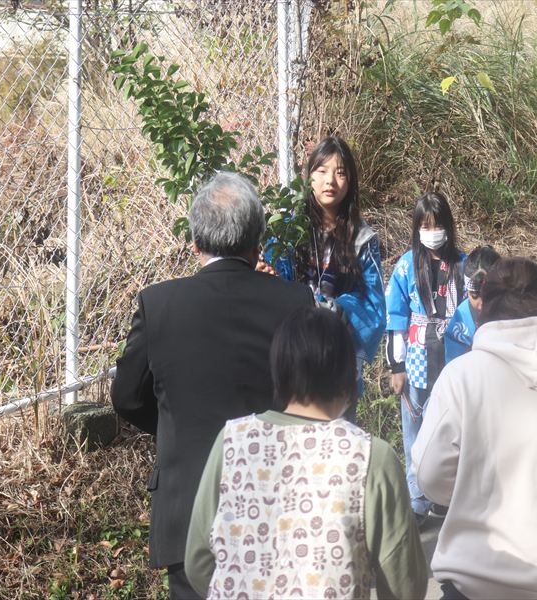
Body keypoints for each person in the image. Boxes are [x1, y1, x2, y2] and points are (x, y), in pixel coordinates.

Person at [111, 172, 314, 599]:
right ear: (256, 241)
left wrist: (175, 425)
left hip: (187, 509)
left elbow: (126, 397)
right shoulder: (294, 302)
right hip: (275, 500)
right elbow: (312, 399)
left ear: (195, 242)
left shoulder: (158, 304)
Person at [184, 307, 428, 600]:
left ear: (278, 371)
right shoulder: (370, 457)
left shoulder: (231, 440)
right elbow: (404, 585)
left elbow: (198, 562)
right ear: (347, 375)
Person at [412, 257, 537, 600]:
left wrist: (474, 487)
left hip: (475, 580)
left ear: (484, 304)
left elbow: (430, 478)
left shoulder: (462, 376)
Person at [271, 136, 386, 422]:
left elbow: (373, 305)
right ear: (309, 177)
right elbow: (271, 283)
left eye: (340, 172)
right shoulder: (288, 231)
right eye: (321, 171)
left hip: (337, 362)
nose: (330, 180)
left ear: (350, 181)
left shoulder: (362, 239)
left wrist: (338, 309)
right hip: (294, 358)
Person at [384, 190, 465, 523]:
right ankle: (416, 499)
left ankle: (445, 496)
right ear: (417, 228)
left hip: (454, 356)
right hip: (416, 357)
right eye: (426, 226)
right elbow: (396, 318)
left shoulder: (461, 264)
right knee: (415, 431)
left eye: (438, 225)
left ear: (448, 226)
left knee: (451, 429)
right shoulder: (406, 266)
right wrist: (397, 366)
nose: (433, 232)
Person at [444, 244, 501, 363]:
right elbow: (454, 364)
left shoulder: (517, 310)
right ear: (467, 291)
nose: (482, 304)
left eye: (489, 295)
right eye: (475, 296)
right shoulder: (461, 318)